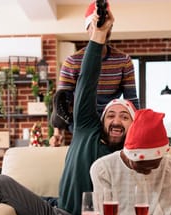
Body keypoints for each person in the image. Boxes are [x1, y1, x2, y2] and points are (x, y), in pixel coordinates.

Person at [0, 9, 132, 215]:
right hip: (55, 211)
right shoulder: (86, 130)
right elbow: (86, 84)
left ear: (132, 127)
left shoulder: (129, 157)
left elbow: (169, 182)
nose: (116, 120)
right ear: (100, 119)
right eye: (111, 114)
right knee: (0, 183)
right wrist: (98, 36)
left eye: (125, 117)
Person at [50, 0, 139, 146]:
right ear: (87, 28)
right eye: (95, 25)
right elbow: (61, 102)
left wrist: (137, 130)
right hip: (82, 123)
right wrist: (57, 134)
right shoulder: (72, 61)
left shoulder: (123, 60)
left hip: (111, 123)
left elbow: (132, 101)